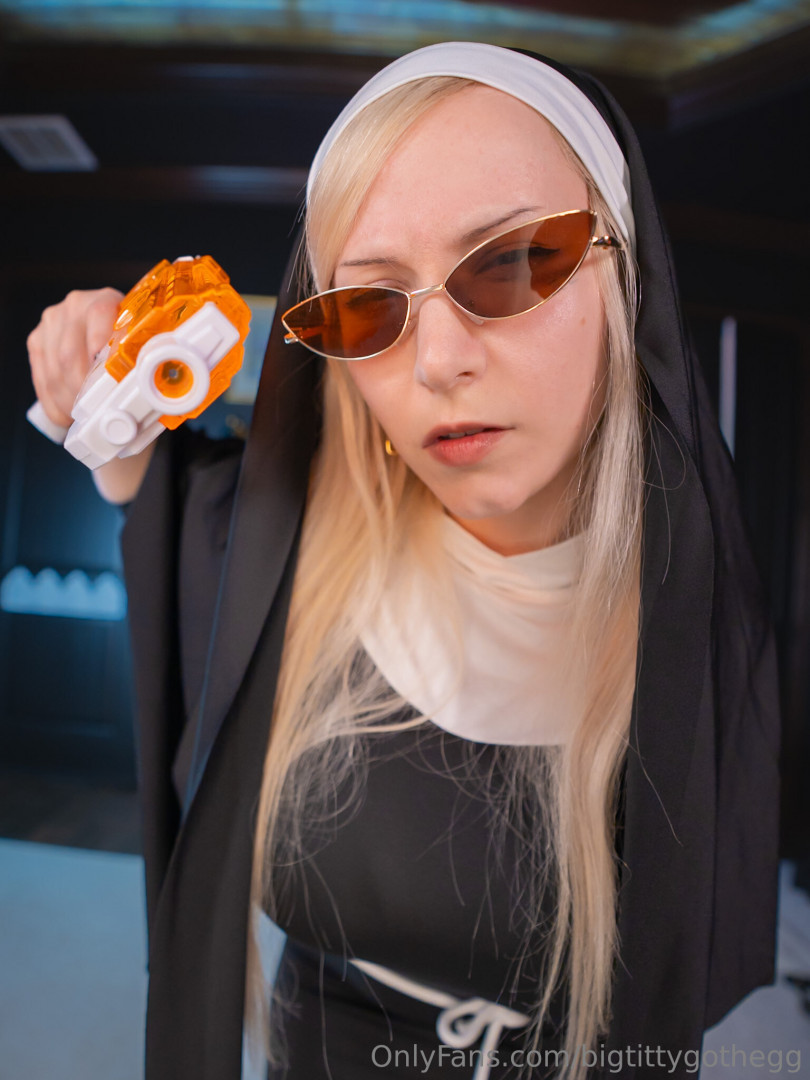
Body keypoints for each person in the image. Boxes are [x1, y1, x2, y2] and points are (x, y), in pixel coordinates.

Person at [26, 42, 780, 1080]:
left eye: (512, 262)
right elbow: (153, 489)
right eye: (369, 307)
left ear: (627, 274)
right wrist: (93, 380)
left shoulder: (704, 626)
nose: (437, 361)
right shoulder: (282, 565)